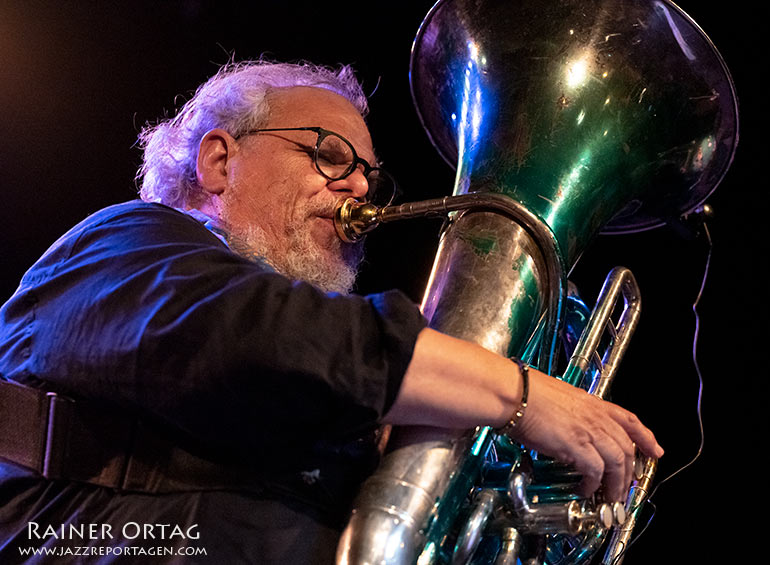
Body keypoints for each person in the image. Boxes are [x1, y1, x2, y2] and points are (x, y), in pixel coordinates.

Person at [0, 60, 662, 564]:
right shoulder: (122, 244)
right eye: (328, 155)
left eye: (369, 176)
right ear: (219, 161)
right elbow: (264, 333)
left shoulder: (327, 406)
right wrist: (519, 394)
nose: (357, 188)